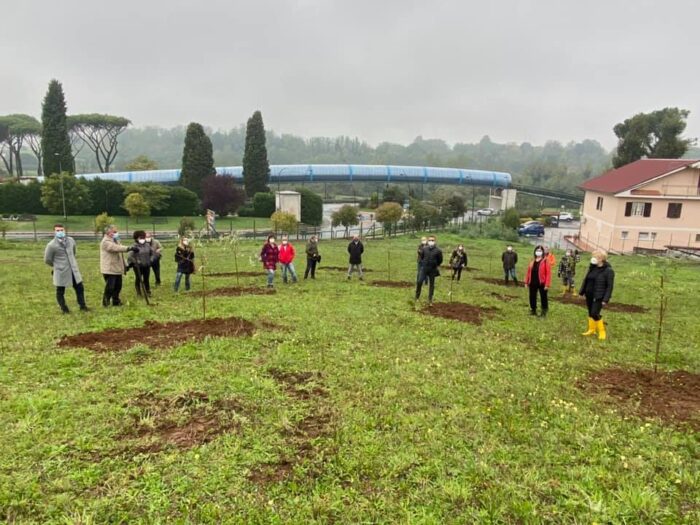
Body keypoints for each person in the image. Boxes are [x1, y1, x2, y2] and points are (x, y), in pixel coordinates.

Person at [44, 224, 88, 313]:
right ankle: (64, 308)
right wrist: (57, 266)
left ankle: (82, 306)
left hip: (73, 270)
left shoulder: (71, 241)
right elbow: (47, 259)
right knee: (60, 290)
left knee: (79, 287)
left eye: (61, 230)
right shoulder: (51, 245)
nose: (60, 232)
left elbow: (73, 252)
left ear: (64, 230)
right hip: (61, 271)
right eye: (57, 230)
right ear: (54, 232)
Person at [579, 249, 615, 341]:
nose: (593, 258)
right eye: (593, 256)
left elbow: (609, 286)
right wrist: (582, 292)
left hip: (598, 296)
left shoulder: (608, 271)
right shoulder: (592, 267)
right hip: (589, 294)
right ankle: (592, 330)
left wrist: (605, 299)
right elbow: (586, 280)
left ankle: (602, 331)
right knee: (590, 312)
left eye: (595, 257)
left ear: (601, 259)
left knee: (595, 313)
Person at [100, 224, 131, 307]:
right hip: (109, 268)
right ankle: (105, 302)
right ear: (108, 232)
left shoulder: (116, 240)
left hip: (117, 268)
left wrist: (125, 265)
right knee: (110, 287)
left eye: (116, 231)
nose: (116, 233)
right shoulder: (106, 241)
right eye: (114, 232)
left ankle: (116, 301)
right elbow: (115, 248)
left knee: (118, 286)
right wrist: (129, 248)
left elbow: (120, 254)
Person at [524, 244, 551, 316]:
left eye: (540, 250)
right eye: (537, 250)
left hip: (542, 283)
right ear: (535, 251)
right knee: (532, 296)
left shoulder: (545, 261)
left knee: (543, 297)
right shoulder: (532, 261)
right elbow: (528, 272)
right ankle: (533, 310)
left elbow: (548, 274)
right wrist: (526, 282)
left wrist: (547, 284)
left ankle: (544, 311)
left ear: (542, 252)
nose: (538, 252)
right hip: (532, 282)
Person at [415, 235, 443, 305]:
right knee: (419, 281)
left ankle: (430, 299)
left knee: (431, 284)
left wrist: (435, 264)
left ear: (435, 241)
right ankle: (417, 297)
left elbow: (440, 260)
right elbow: (421, 257)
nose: (431, 242)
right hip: (424, 268)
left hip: (432, 269)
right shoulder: (424, 249)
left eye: (432, 240)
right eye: (430, 240)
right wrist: (423, 263)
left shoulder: (438, 251)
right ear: (428, 241)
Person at [127, 230, 156, 297]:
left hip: (146, 265)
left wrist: (151, 260)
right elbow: (130, 256)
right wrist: (136, 262)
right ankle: (139, 293)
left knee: (146, 279)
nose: (142, 239)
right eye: (140, 238)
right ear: (136, 238)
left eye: (143, 237)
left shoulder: (147, 245)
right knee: (138, 279)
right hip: (138, 266)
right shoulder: (134, 246)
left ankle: (148, 292)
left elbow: (152, 254)